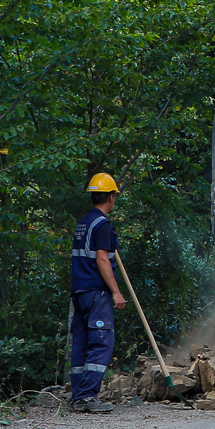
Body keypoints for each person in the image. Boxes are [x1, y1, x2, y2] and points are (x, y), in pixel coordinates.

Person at [68, 173, 126, 413]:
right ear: (111, 197)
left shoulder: (84, 222)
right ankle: (88, 396)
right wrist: (115, 292)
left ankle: (79, 395)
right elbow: (102, 259)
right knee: (101, 342)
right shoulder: (101, 225)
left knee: (81, 343)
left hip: (80, 291)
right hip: (96, 293)